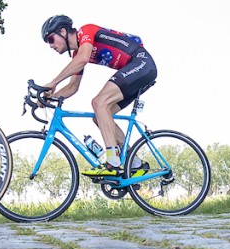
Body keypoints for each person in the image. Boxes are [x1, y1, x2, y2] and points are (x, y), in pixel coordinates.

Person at [38, 15, 157, 177]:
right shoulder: (77, 55)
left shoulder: (85, 32)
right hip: (137, 71)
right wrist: (47, 99)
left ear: (64, 32)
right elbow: (73, 88)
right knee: (100, 116)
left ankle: (113, 164)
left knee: (99, 103)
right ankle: (135, 164)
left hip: (141, 63)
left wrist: (53, 82)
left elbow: (83, 59)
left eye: (51, 39)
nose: (50, 45)